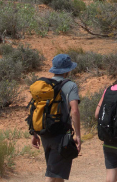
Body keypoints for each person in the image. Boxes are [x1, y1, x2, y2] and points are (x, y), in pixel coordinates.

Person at [31, 53, 81, 182]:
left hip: (45, 132)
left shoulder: (45, 86)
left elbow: (36, 109)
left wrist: (34, 134)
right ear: (68, 70)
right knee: (52, 173)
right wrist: (78, 136)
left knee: (57, 172)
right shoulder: (70, 86)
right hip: (60, 134)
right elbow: (74, 111)